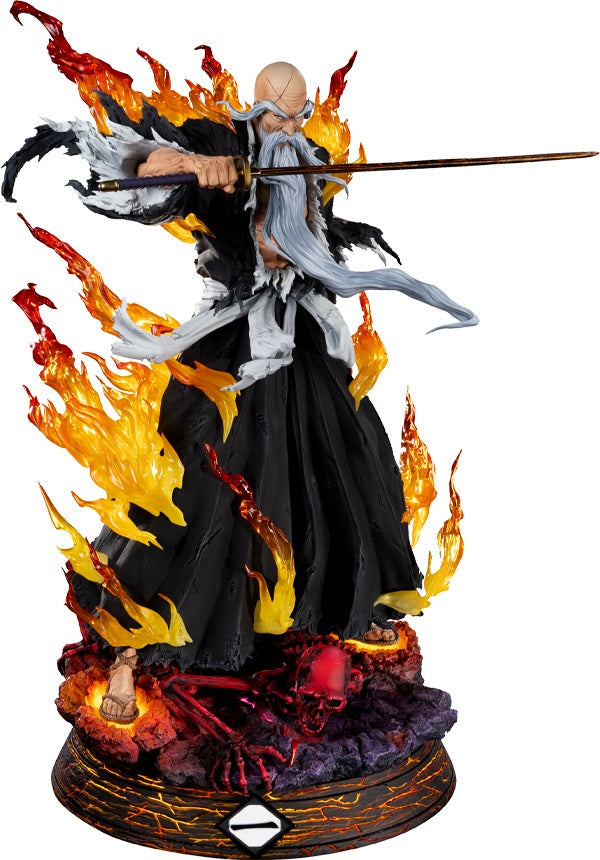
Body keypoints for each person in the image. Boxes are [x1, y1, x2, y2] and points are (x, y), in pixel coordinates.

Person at [4, 62, 477, 723]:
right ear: (253, 110)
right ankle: (136, 646)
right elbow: (140, 166)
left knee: (350, 459)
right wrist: (187, 164)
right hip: (230, 346)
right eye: (274, 114)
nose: (286, 126)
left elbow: (310, 247)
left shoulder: (310, 159)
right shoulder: (220, 142)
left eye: (297, 114)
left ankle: (346, 610)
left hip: (302, 339)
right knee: (197, 479)